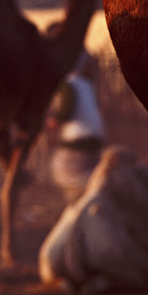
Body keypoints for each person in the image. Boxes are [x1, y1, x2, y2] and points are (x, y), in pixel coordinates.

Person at [47, 68, 105, 200]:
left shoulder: (67, 83)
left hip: (77, 138)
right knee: (89, 172)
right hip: (97, 137)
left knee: (62, 172)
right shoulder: (86, 84)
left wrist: (56, 120)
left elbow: (67, 103)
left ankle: (95, 195)